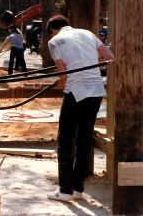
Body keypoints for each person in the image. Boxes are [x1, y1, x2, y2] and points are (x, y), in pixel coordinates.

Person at [45, 15, 114, 202]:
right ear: (68, 24)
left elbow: (64, 75)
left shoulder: (54, 42)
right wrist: (88, 62)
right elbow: (108, 57)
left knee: (65, 139)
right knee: (84, 138)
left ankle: (65, 190)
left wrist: (61, 79)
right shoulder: (88, 34)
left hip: (75, 92)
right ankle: (78, 189)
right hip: (96, 92)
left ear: (52, 30)